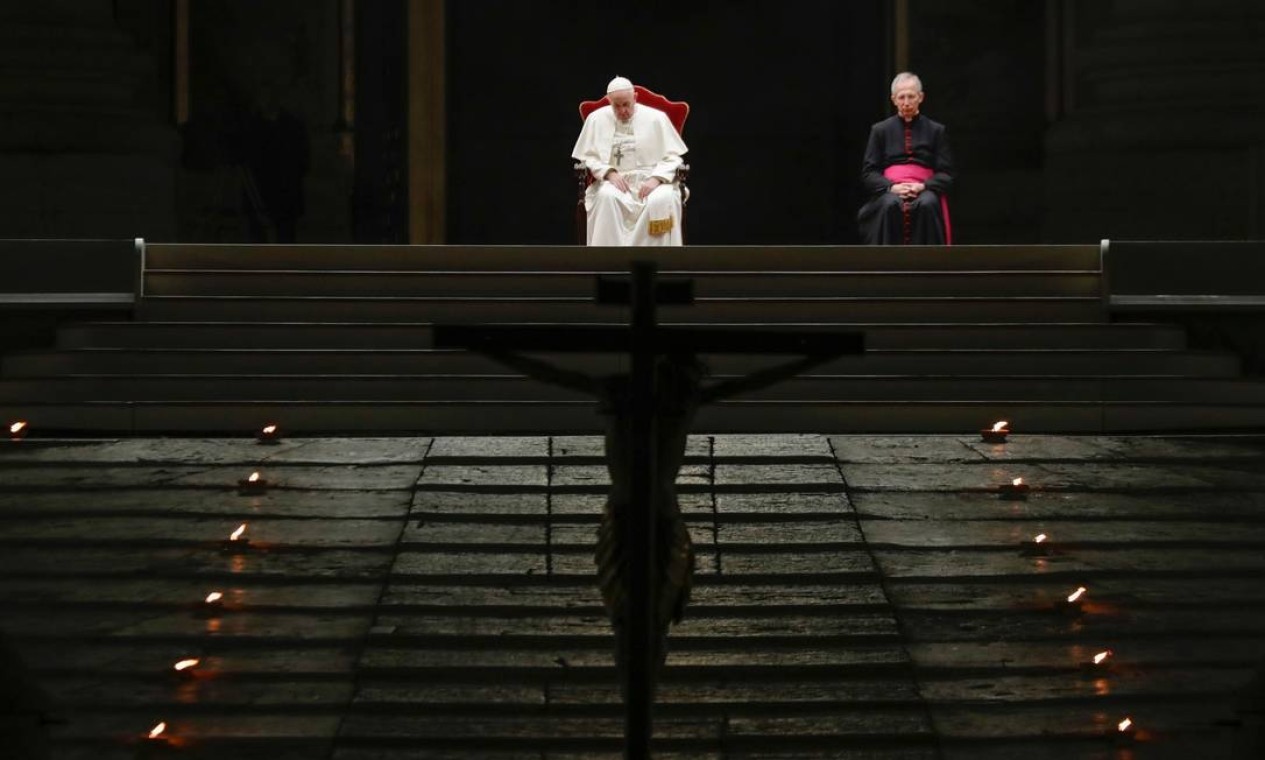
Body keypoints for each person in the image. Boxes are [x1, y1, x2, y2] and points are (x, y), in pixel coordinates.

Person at [478, 348, 838, 685]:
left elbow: (552, 374)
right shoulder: (675, 399)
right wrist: (811, 361)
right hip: (653, 511)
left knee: (637, 612)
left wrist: (490, 351)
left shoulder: (637, 394)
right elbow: (753, 381)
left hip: (637, 509)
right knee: (644, 612)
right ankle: (640, 682)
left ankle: (638, 682)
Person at [571, 76, 688, 246]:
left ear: (635, 98)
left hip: (653, 179)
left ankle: (656, 263)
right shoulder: (596, 119)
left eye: (626, 104)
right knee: (606, 197)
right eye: (616, 106)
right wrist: (609, 173)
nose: (622, 111)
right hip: (616, 181)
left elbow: (674, 156)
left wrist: (656, 179)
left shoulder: (657, 118)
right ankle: (610, 263)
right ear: (609, 101)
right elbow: (589, 156)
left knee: (663, 198)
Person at [857, 72, 954, 245]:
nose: (906, 102)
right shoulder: (880, 130)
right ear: (894, 99)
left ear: (921, 97)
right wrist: (892, 187)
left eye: (911, 96)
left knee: (927, 203)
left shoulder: (936, 130)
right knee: (889, 205)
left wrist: (923, 186)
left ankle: (926, 265)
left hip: (924, 189)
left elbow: (946, 173)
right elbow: (869, 173)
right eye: (901, 97)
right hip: (891, 190)